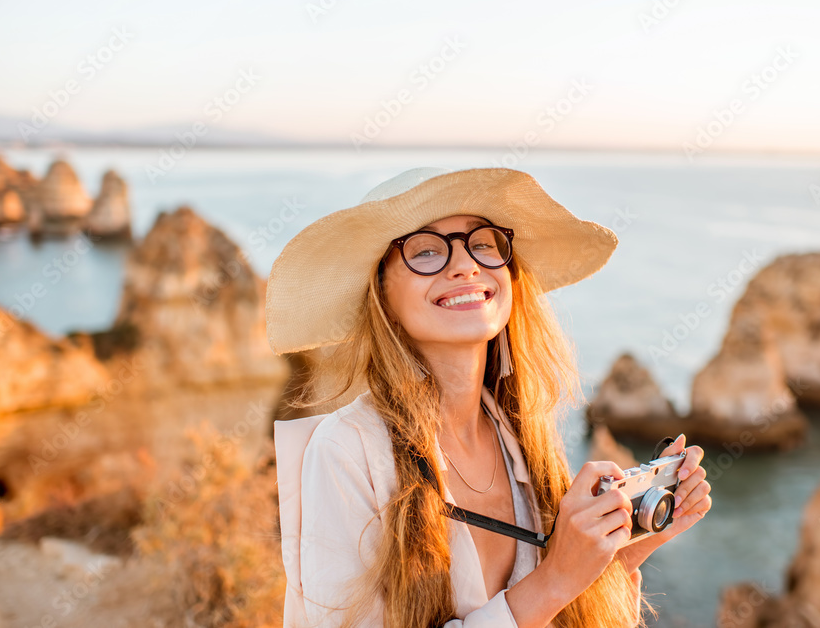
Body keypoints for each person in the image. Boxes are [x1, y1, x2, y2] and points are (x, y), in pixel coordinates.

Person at [266, 167, 712, 628]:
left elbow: (557, 614)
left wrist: (627, 548)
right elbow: (543, 594)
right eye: (425, 251)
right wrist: (556, 577)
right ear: (381, 296)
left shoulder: (523, 433)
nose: (465, 265)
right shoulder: (345, 452)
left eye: (482, 243)